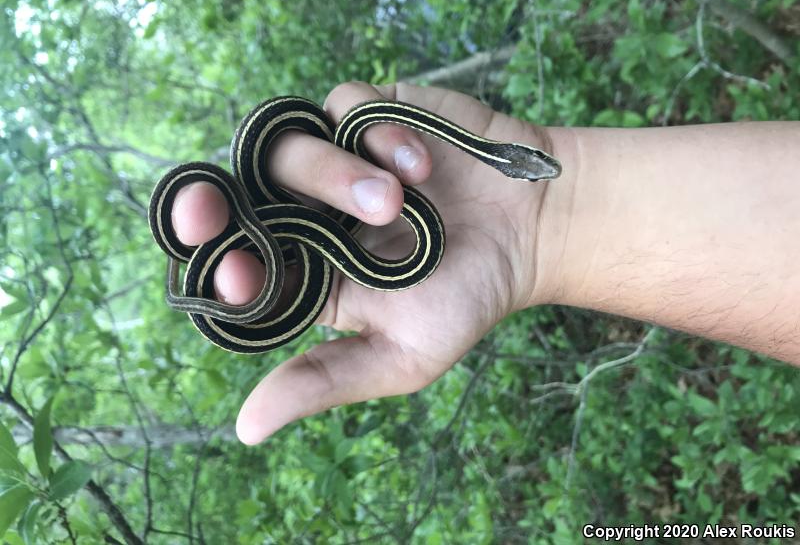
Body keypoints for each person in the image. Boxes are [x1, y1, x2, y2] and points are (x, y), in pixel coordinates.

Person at [169, 81, 800, 446]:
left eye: (539, 173)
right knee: (224, 221)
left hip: (348, 199)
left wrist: (554, 212)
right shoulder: (417, 226)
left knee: (304, 181)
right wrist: (552, 223)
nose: (541, 176)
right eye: (538, 171)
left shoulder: (434, 185)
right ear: (508, 161)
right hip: (305, 228)